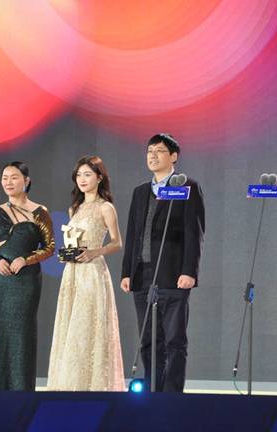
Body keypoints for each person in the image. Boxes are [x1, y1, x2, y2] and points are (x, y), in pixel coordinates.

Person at [120, 133, 205, 392]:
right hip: (142, 275)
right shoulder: (140, 192)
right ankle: (152, 392)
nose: (152, 156)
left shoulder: (187, 187)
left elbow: (194, 232)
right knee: (148, 340)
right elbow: (133, 234)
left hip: (172, 274)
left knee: (174, 341)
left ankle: (172, 395)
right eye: (149, 151)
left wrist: (189, 271)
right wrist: (127, 272)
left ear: (174, 156)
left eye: (159, 151)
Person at [47, 155, 125, 391]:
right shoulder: (75, 208)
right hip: (72, 273)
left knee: (89, 324)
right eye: (79, 175)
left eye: (88, 174)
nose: (82, 179)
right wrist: (67, 254)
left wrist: (94, 252)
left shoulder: (106, 207)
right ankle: (71, 382)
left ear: (99, 178)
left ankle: (93, 384)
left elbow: (117, 242)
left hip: (92, 272)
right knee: (71, 326)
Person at [0, 161, 55, 391]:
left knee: (21, 335)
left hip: (26, 281)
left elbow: (50, 247)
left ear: (26, 181)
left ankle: (20, 391)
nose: (8, 182)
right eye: (5, 178)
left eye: (14, 177)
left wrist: (26, 259)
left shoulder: (39, 212)